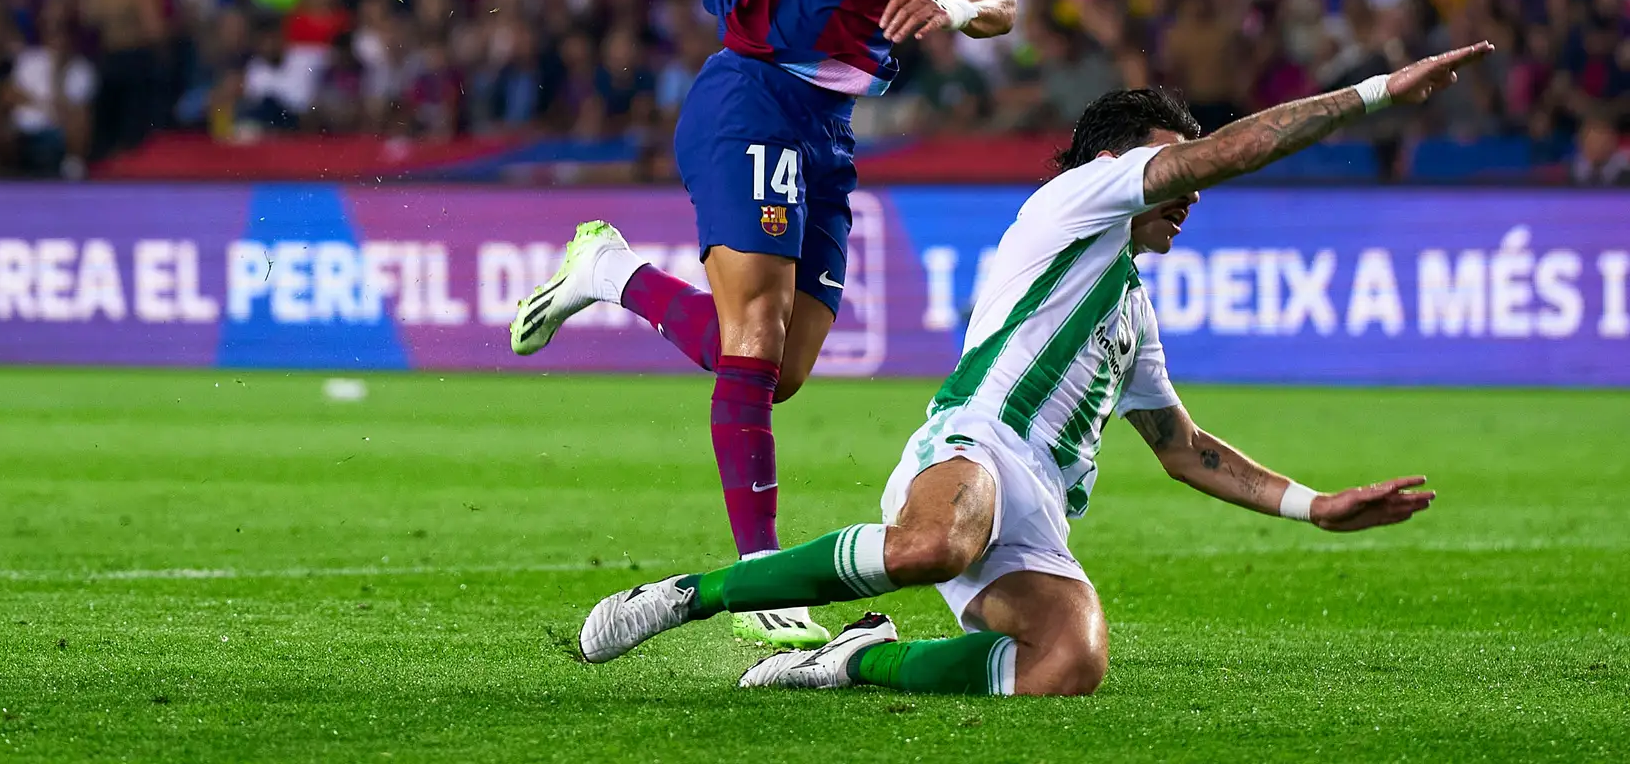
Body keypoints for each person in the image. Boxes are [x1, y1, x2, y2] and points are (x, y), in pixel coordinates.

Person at [425, 0, 1018, 649]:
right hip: (747, 88)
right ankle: (760, 579)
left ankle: (612, 272)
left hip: (830, 122)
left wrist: (954, 8)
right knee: (749, 343)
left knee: (774, 369)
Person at [574, 42, 1490, 695]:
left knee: (1068, 663)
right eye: (1175, 166)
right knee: (934, 545)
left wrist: (1314, 505)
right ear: (1116, 162)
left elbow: (1183, 449)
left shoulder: (1128, 306)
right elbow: (1232, 151)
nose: (1193, 189)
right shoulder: (1075, 201)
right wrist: (1372, 94)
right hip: (973, 444)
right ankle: (695, 595)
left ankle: (847, 661)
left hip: (1040, 507)